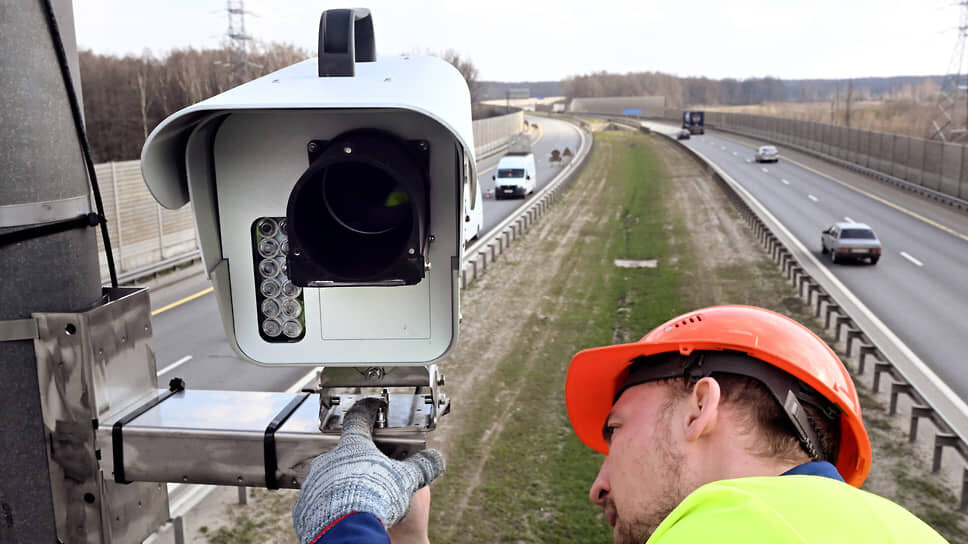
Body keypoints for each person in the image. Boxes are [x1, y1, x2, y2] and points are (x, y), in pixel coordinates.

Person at [293, 305, 950, 543]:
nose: (598, 487)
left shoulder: (743, 529)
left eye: (614, 430)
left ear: (701, 408)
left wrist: (343, 525)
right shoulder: (897, 530)